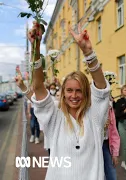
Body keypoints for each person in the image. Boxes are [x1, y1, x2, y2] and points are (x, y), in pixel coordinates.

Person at [20, 21, 111, 179]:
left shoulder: (95, 117)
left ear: (86, 93)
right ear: (63, 93)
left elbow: (102, 89)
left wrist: (88, 52)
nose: (74, 96)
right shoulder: (55, 117)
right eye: (69, 90)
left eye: (79, 91)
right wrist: (36, 49)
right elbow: (39, 88)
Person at [102, 96, 120, 180]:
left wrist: (115, 153)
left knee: (111, 173)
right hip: (92, 146)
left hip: (105, 144)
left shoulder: (109, 109)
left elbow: (113, 132)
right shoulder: (87, 108)